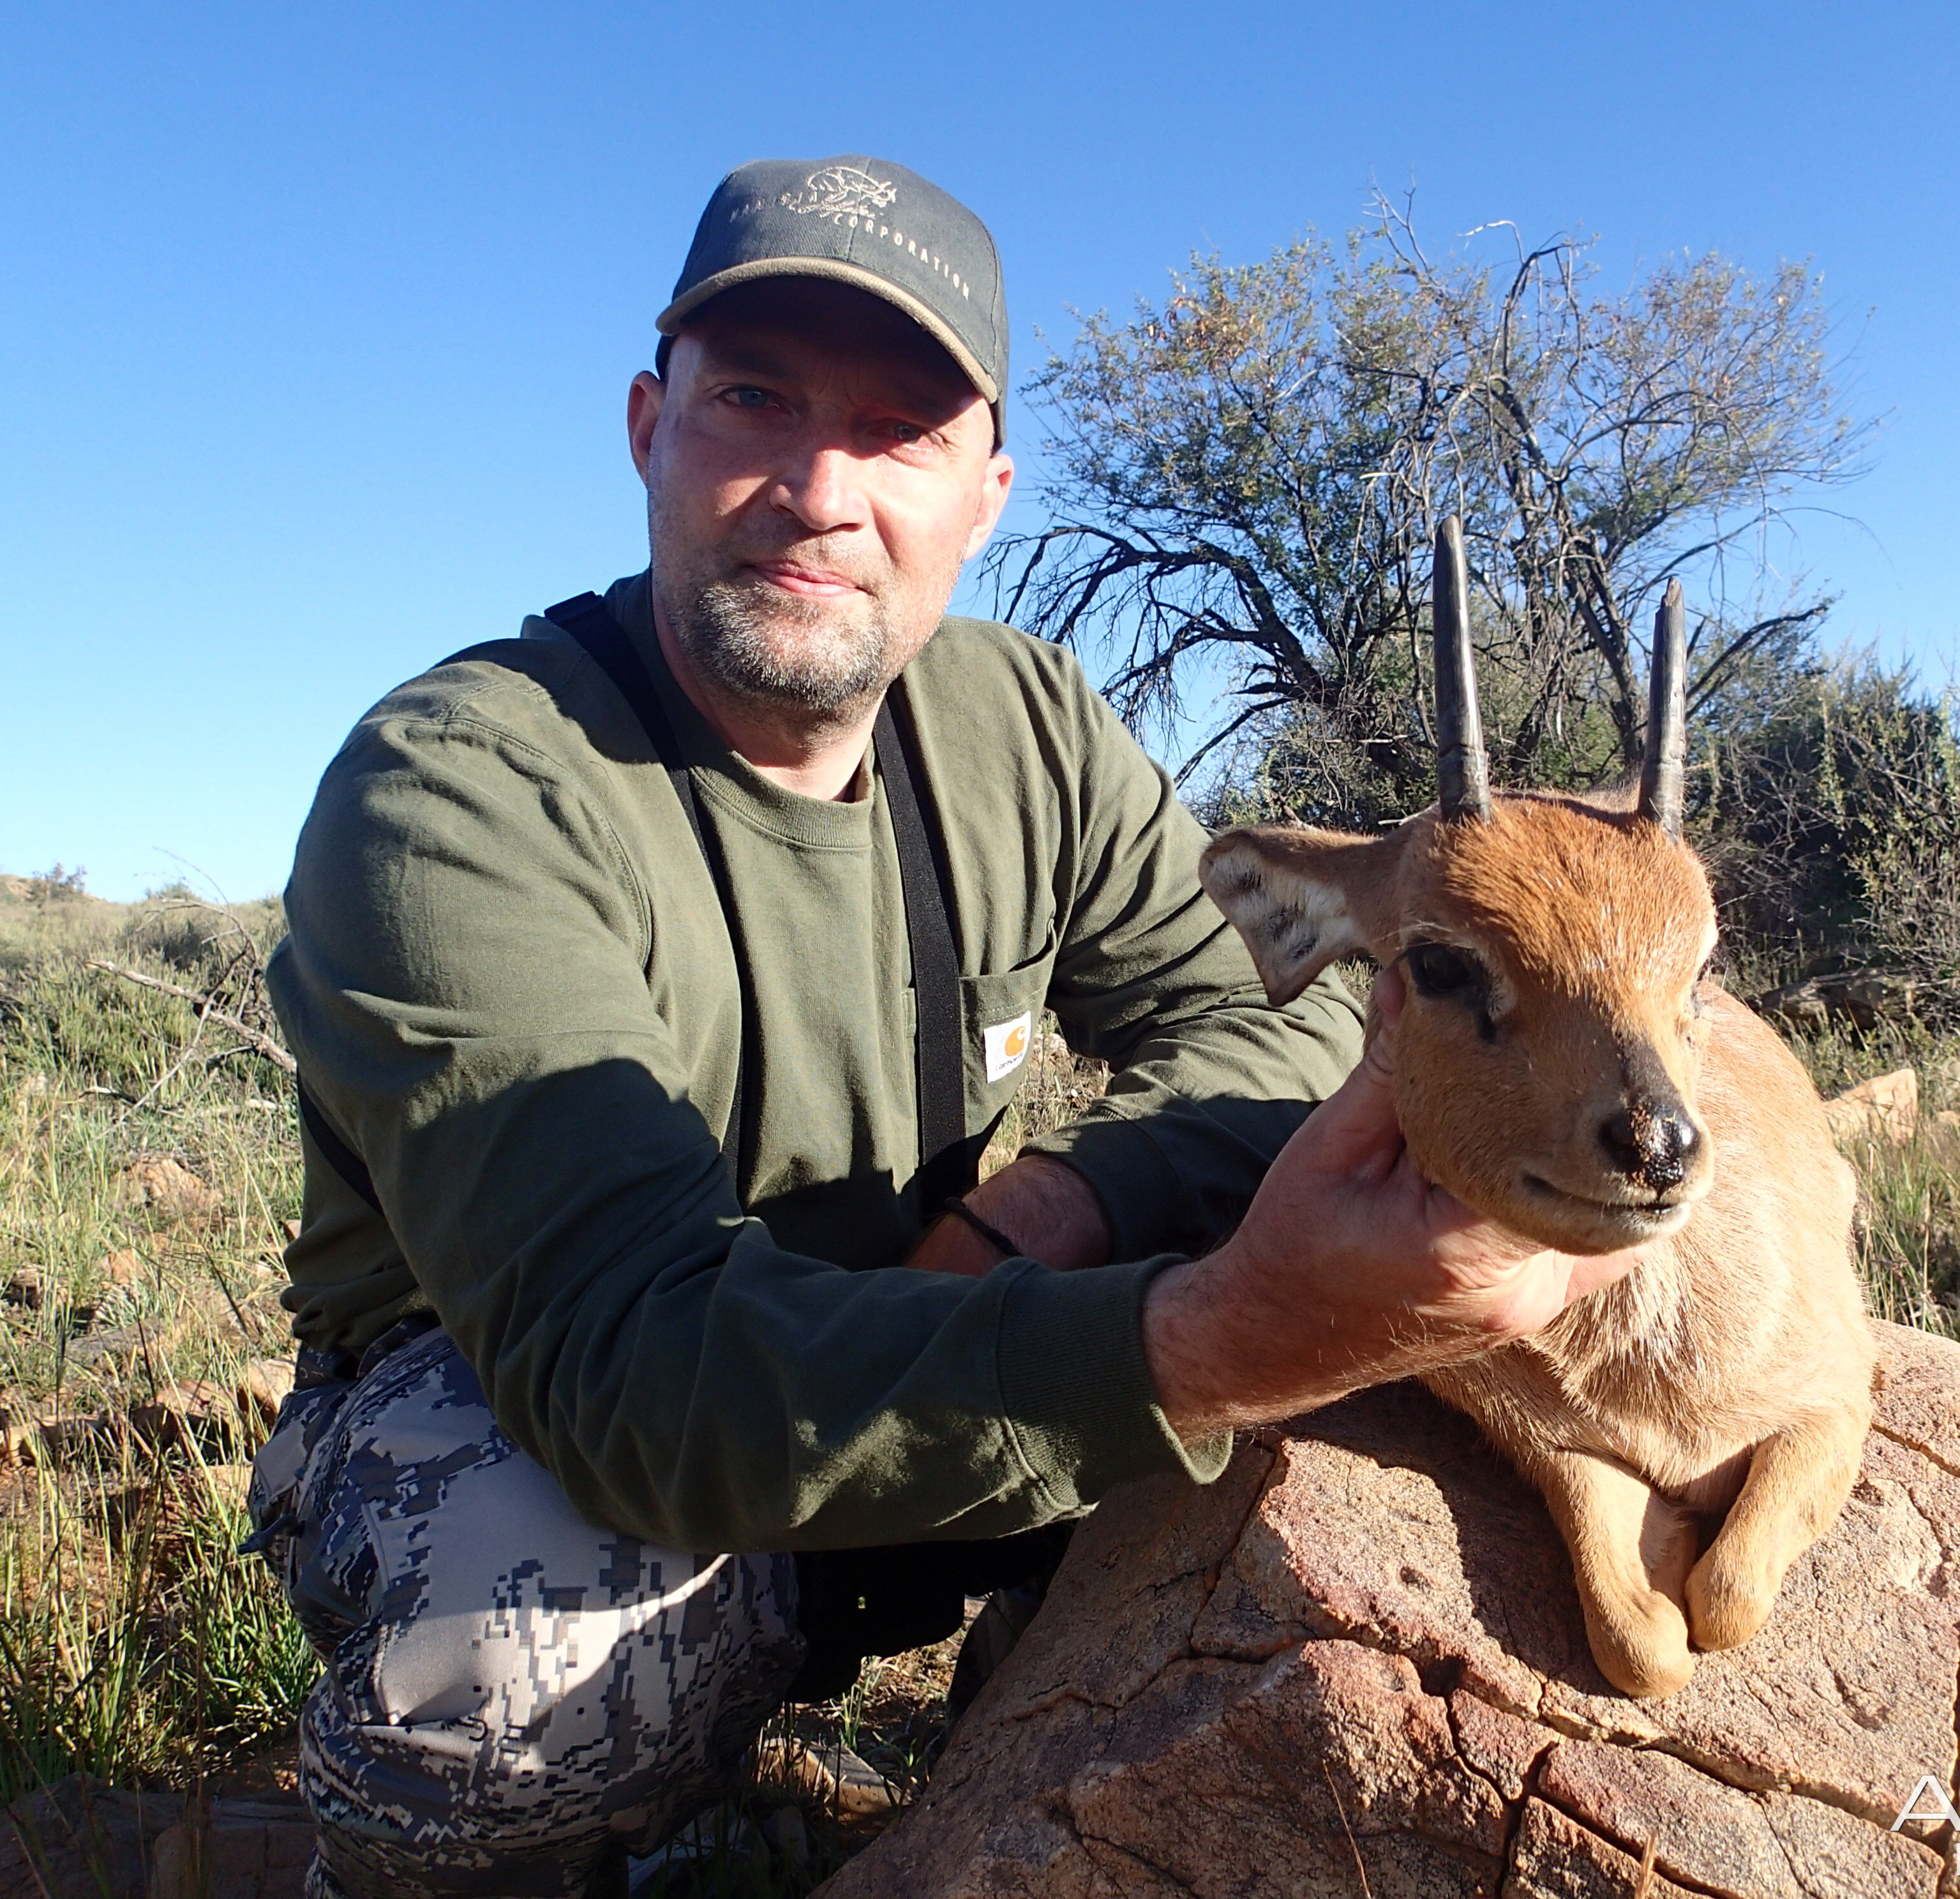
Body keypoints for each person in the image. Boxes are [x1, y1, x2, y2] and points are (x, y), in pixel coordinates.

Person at [251, 154, 1636, 1899]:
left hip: (931, 1330)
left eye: (901, 431)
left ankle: (1015, 1773)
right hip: (561, 1425)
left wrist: (1057, 1208)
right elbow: (626, 1379)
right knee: (540, 1638)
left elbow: (1284, 1027)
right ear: (645, 428)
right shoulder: (456, 785)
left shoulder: (1026, 724)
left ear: (983, 498)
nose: (819, 491)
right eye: (752, 398)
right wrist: (1214, 1341)